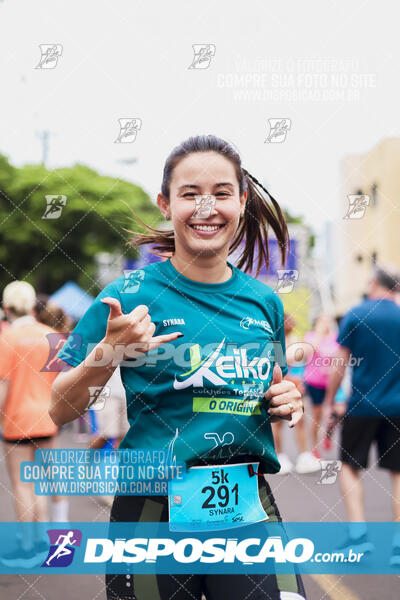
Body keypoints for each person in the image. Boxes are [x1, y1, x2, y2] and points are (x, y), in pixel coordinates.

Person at [50, 135, 306, 599]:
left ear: (243, 202)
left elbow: (268, 393)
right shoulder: (127, 296)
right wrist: (108, 352)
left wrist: (285, 399)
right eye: (190, 194)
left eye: (222, 193)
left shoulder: (265, 302)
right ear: (165, 204)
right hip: (151, 509)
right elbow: (60, 409)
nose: (206, 207)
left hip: (247, 508)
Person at [324, 263, 400, 566]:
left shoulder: (357, 314)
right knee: (398, 471)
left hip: (362, 405)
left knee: (349, 466)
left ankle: (358, 538)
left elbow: (339, 365)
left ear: (373, 283)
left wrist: (331, 401)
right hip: (398, 408)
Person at [0, 281, 59, 567]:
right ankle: (44, 541)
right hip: (47, 417)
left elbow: (3, 385)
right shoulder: (50, 334)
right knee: (41, 481)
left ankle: (27, 545)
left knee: (23, 483)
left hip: (16, 418)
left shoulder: (7, 337)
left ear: (6, 307)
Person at [272, 313, 319, 475]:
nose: (291, 323)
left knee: (300, 420)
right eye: (287, 321)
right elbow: (281, 364)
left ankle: (304, 455)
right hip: (282, 388)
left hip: (298, 388)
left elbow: (305, 355)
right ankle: (279, 456)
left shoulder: (296, 339)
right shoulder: (276, 343)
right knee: (278, 422)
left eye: (292, 320)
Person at [302, 312, 339, 458]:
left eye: (327, 321)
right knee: (316, 416)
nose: (326, 324)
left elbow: (340, 356)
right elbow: (307, 353)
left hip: (332, 383)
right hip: (315, 382)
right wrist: (318, 334)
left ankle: (328, 435)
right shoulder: (311, 336)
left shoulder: (335, 337)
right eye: (322, 321)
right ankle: (315, 448)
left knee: (335, 414)